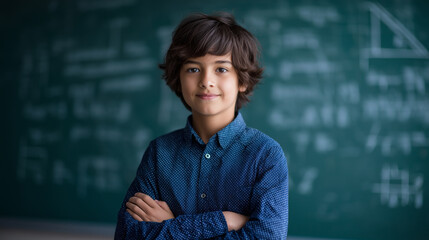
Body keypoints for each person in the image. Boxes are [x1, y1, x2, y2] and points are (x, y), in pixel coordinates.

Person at [115, 12, 288, 239]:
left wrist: (172, 225)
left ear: (242, 81)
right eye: (193, 69)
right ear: (179, 77)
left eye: (221, 69)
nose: (206, 81)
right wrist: (225, 220)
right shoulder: (159, 154)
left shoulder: (265, 155)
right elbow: (128, 235)